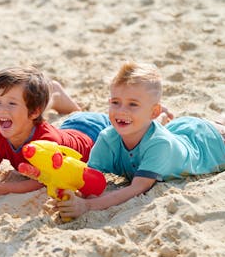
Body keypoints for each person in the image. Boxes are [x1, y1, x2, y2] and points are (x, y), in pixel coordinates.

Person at [51, 61, 225, 220]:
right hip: (176, 132)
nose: (121, 111)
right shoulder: (107, 138)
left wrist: (87, 206)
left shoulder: (159, 145)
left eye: (133, 104)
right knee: (145, 128)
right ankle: (161, 120)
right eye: (115, 102)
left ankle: (163, 120)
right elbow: (88, 177)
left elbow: (136, 188)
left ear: (153, 111)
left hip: (209, 144)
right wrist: (68, 195)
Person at [0, 66, 111, 197]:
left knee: (81, 117)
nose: (2, 109)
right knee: (73, 116)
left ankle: (58, 96)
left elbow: (43, 182)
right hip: (69, 127)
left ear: (34, 112)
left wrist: (1, 188)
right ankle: (58, 96)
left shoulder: (47, 141)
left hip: (94, 131)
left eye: (12, 103)